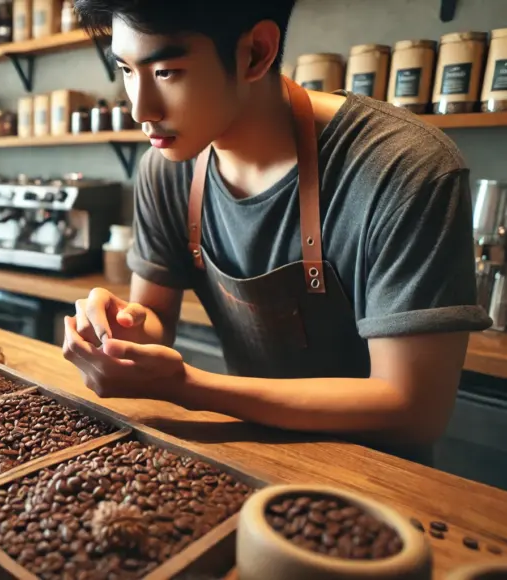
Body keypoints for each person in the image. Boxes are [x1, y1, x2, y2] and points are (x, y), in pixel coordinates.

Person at [63, 0, 491, 461]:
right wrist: (117, 329)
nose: (140, 109)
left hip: (383, 476)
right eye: (126, 70)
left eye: (166, 72)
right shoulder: (166, 170)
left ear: (256, 53)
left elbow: (413, 408)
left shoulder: (404, 169)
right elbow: (152, 323)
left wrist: (187, 386)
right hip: (252, 455)